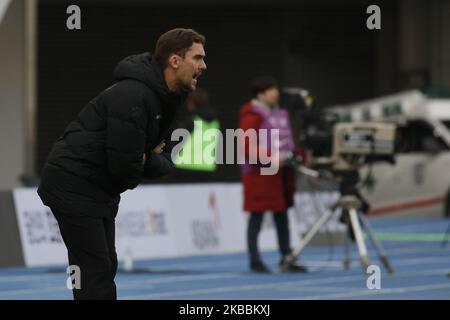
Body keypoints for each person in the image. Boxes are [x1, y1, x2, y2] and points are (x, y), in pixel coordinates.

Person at [37, 28, 207, 299]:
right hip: (73, 184)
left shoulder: (167, 97)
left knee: (104, 266)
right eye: (197, 58)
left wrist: (147, 157)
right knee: (94, 271)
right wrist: (148, 157)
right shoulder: (135, 95)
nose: (203, 65)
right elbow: (125, 166)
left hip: (98, 187)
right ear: (175, 61)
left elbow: (160, 155)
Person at [239, 76, 307, 273]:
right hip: (259, 173)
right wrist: (270, 157)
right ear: (260, 94)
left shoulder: (277, 113)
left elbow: (287, 141)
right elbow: (247, 145)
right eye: (271, 90)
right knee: (257, 217)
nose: (276, 93)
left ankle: (287, 255)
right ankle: (255, 259)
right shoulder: (251, 114)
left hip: (280, 172)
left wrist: (297, 155)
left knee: (282, 215)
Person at [172, 88, 220, 182]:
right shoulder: (215, 123)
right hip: (207, 168)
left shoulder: (191, 121)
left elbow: (175, 142)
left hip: (185, 167)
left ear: (193, 103)